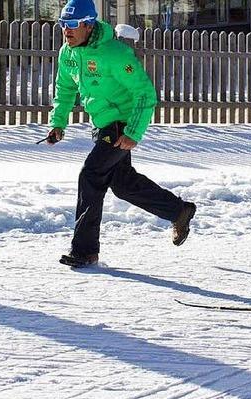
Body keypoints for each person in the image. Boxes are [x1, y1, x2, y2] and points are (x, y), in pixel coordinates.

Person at [47, 0, 196, 268]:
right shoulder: (68, 53)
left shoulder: (115, 54)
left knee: (91, 174)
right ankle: (179, 211)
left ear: (88, 24)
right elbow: (65, 89)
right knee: (123, 184)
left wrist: (133, 132)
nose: (66, 31)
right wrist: (58, 123)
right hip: (102, 123)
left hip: (121, 123)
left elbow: (145, 93)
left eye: (72, 25)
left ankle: (85, 251)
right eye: (62, 25)